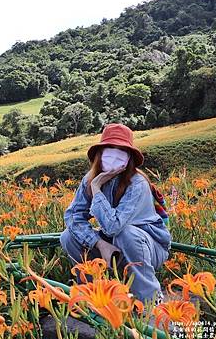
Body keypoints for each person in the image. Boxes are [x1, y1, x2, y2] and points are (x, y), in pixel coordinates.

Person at [59, 123, 171, 305]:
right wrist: (99, 243)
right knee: (67, 237)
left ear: (129, 159)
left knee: (125, 233)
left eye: (121, 152)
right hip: (113, 249)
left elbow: (113, 226)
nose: (114, 157)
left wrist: (96, 189)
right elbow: (73, 216)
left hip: (148, 249)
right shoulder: (89, 179)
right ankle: (93, 294)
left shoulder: (137, 183)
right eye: (109, 150)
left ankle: (149, 300)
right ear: (99, 155)